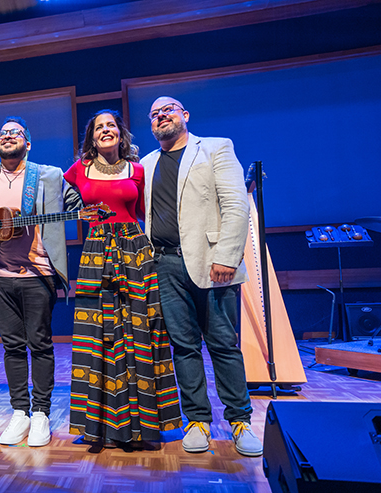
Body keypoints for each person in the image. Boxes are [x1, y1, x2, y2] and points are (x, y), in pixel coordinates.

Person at [141, 96, 263, 457]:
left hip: (213, 263)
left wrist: (226, 255)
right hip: (164, 265)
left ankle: (240, 421)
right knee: (184, 346)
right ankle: (197, 420)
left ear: (185, 115)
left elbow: (236, 203)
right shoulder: (146, 163)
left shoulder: (215, 147)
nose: (162, 115)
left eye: (169, 109)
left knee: (223, 344)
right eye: (155, 113)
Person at [65, 110, 182, 444]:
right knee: (97, 334)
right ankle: (98, 426)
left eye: (111, 126)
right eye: (98, 127)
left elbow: (148, 213)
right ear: (91, 137)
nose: (105, 131)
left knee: (142, 330)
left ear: (120, 133)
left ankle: (145, 423)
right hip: (96, 252)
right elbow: (69, 205)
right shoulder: (78, 171)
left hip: (134, 253)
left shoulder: (138, 170)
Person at [0, 117, 81, 447]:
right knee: (11, 346)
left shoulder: (49, 175)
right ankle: (19, 411)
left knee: (40, 343)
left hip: (38, 273)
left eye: (15, 133)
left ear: (28, 143)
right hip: (0, 276)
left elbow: (79, 204)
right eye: (3, 132)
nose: (8, 136)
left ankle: (41, 413)